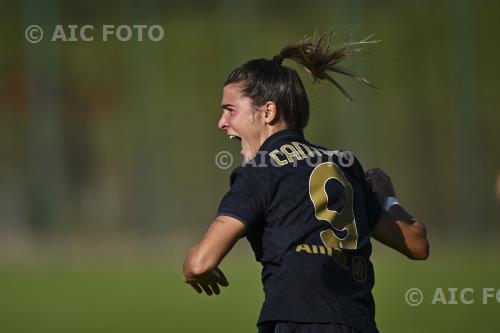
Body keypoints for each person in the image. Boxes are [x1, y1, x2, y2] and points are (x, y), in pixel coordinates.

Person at [182, 33, 429, 333]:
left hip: (296, 323)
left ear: (268, 112)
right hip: (358, 324)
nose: (221, 122)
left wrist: (190, 270)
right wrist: (386, 196)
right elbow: (417, 244)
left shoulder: (260, 170)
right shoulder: (345, 165)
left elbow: (200, 262)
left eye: (230, 110)